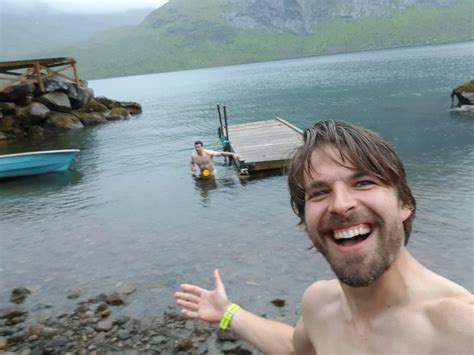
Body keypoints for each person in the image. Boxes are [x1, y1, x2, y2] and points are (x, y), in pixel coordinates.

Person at [176, 121, 474, 354]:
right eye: (319, 192)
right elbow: (295, 348)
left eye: (364, 182)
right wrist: (226, 312)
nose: (341, 204)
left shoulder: (461, 327)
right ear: (305, 219)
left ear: (404, 203)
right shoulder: (320, 304)